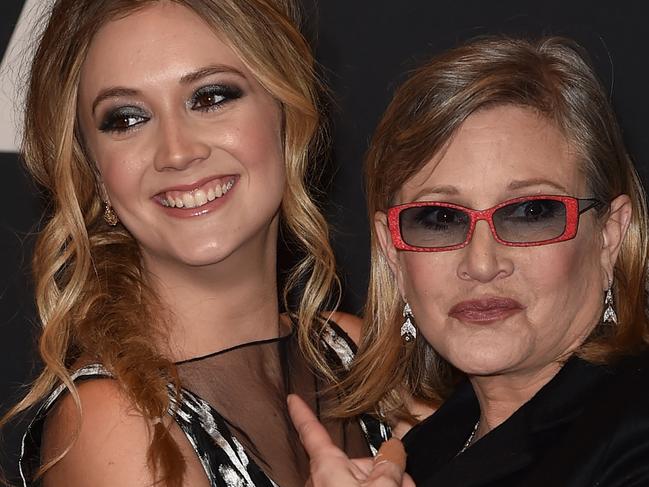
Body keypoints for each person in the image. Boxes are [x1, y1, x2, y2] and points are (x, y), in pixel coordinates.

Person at [1, 1, 388, 486]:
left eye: (210, 97)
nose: (178, 152)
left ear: (286, 115)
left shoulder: (358, 354)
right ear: (92, 170)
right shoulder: (116, 424)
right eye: (126, 119)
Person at [294, 36, 649, 486]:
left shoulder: (635, 436)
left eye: (531, 213)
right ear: (393, 251)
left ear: (609, 237)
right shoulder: (424, 448)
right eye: (439, 218)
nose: (481, 264)